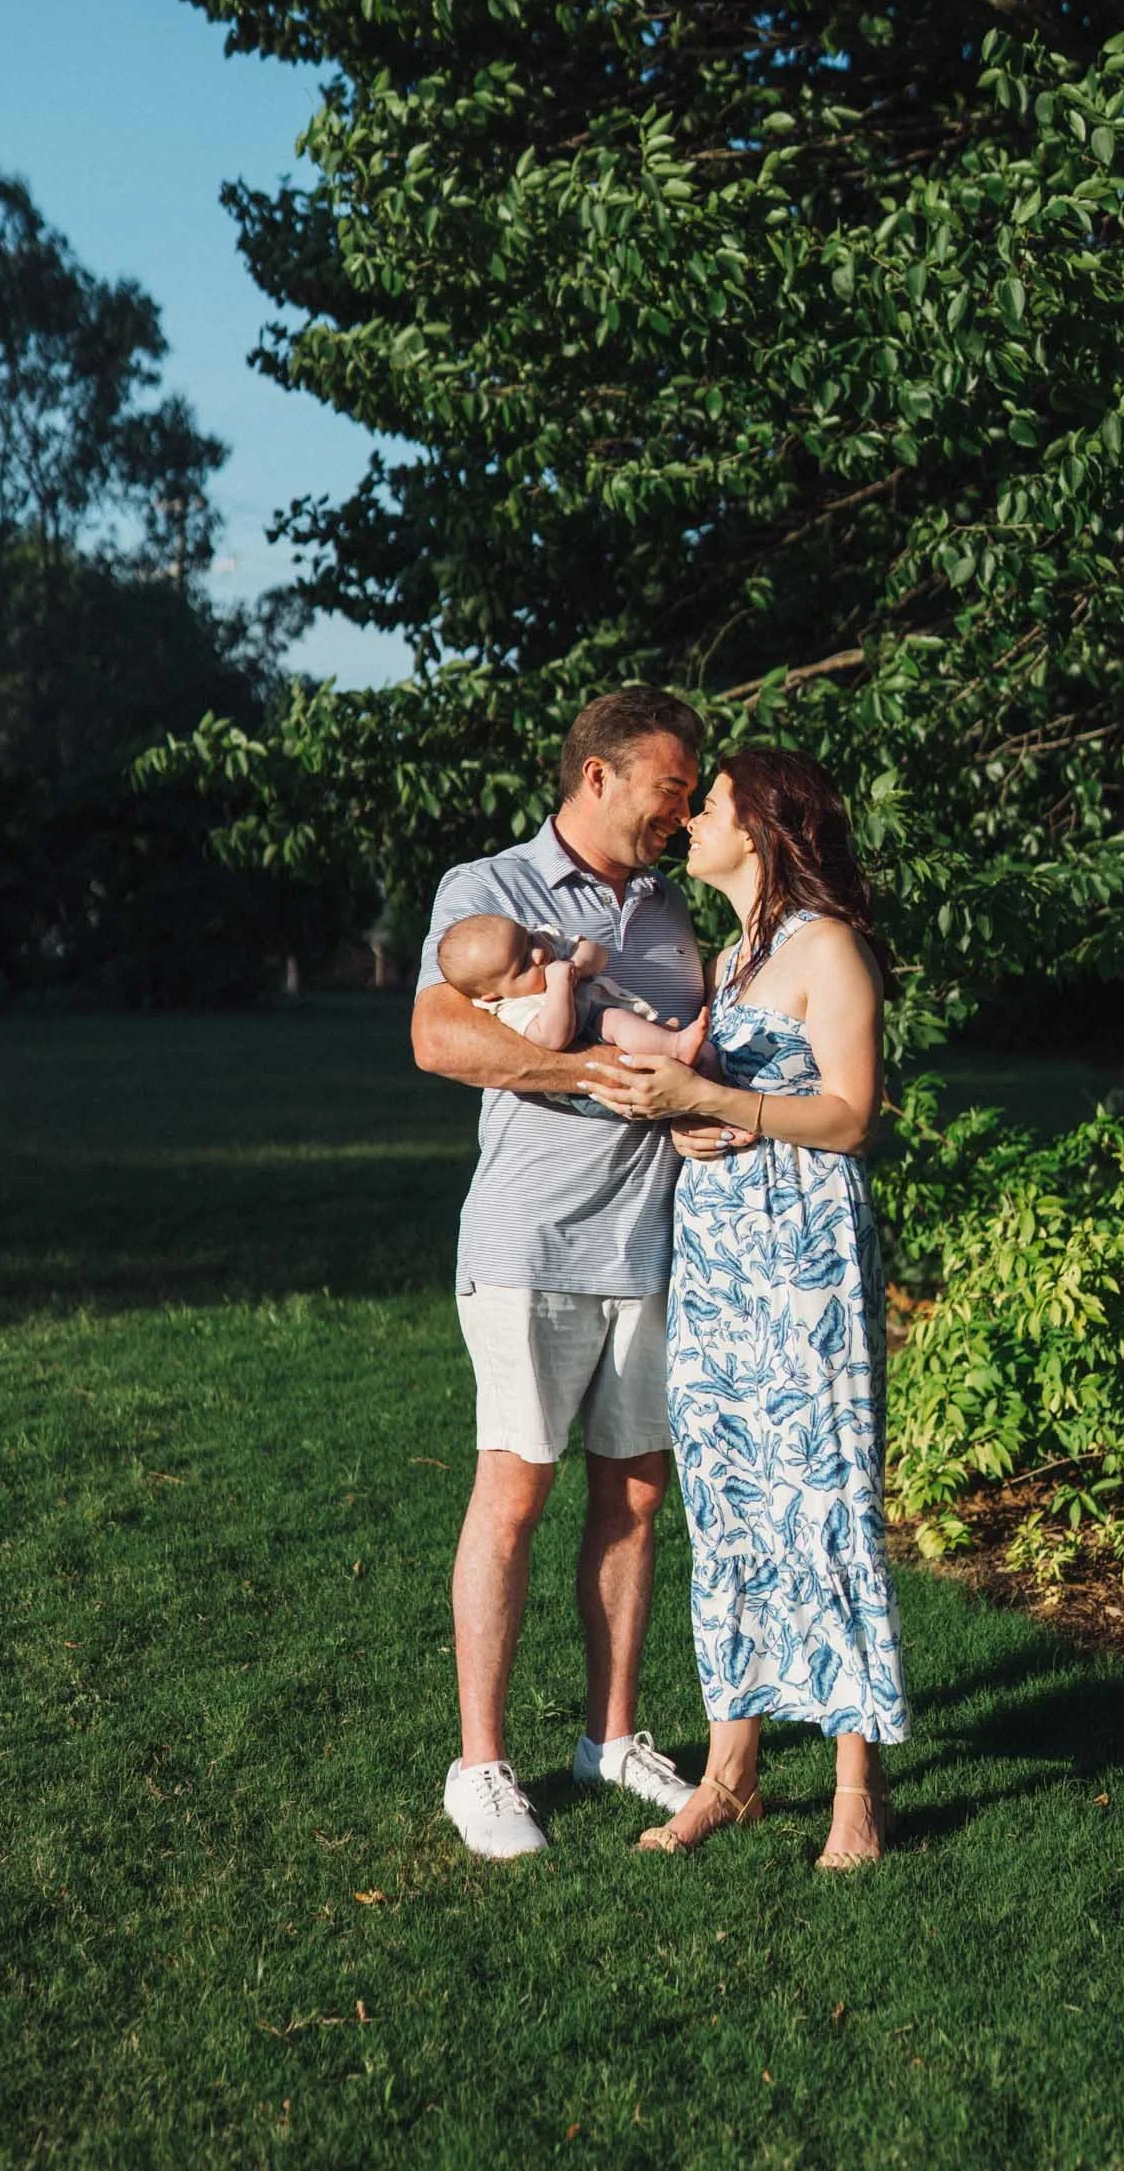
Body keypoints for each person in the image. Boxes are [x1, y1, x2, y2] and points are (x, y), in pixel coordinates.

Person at [413, 686, 739, 1861]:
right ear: (597, 777)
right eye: (669, 786)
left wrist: (706, 1113)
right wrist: (588, 1072)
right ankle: (482, 1767)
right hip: (531, 1249)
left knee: (637, 1496)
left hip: (652, 1247)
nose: (684, 807)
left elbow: (708, 1051)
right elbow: (437, 1038)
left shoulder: (669, 905)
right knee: (515, 1495)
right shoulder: (486, 889)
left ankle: (612, 1737)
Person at [582, 746, 911, 1871]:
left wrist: (715, 1098)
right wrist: (684, 1115)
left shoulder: (828, 949)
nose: (690, 823)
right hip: (719, 1250)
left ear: (766, 828)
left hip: (806, 1250)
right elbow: (706, 1094)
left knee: (824, 1495)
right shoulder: (729, 956)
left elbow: (852, 1114)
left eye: (710, 806)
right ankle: (732, 1775)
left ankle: (854, 1790)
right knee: (728, 1501)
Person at [436, 912, 714, 1065]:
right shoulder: (512, 1008)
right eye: (522, 966)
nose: (537, 954)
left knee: (617, 1019)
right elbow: (555, 1037)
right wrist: (559, 986)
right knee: (612, 1019)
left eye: (528, 938)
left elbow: (598, 954)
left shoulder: (548, 944)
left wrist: (577, 964)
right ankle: (676, 1046)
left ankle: (660, 1040)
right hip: (587, 1044)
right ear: (493, 994)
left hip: (601, 1021)